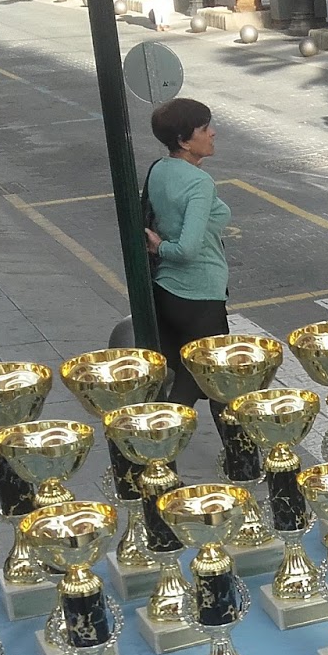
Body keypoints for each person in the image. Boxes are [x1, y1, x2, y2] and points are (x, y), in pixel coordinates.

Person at [143, 97, 232, 428]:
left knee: (195, 376)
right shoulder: (199, 182)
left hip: (169, 292)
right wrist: (162, 248)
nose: (213, 133)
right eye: (204, 129)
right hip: (200, 296)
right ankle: (158, 438)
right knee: (215, 382)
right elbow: (186, 249)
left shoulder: (160, 169)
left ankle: (161, 437)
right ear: (183, 141)